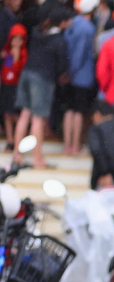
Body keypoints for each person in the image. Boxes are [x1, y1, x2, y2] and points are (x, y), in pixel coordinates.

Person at [12, 6, 68, 168]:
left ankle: (17, 153)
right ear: (62, 22)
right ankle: (37, 158)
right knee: (38, 119)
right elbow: (61, 65)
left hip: (27, 74)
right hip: (43, 79)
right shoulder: (59, 40)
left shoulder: (37, 31)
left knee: (24, 114)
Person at [62, 0, 96, 155]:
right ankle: (75, 146)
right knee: (78, 111)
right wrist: (71, 71)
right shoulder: (87, 27)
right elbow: (80, 53)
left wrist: (65, 71)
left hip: (68, 74)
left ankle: (66, 145)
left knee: (69, 110)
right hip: (81, 76)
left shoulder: (72, 23)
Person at [0, 22, 26, 150]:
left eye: (19, 39)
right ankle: (10, 140)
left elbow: (18, 71)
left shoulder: (23, 53)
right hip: (6, 87)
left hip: (16, 87)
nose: (16, 42)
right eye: (14, 39)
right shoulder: (7, 52)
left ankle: (19, 139)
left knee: (15, 115)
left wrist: (16, 58)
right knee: (6, 114)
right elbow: (5, 70)